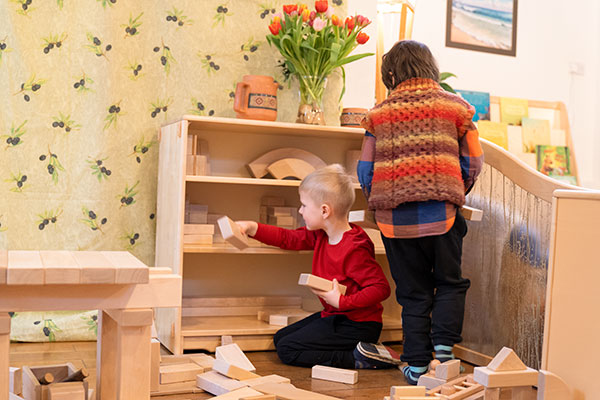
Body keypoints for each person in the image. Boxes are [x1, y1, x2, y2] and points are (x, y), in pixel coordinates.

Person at [357, 40, 484, 385]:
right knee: (450, 283)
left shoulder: (378, 114)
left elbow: (365, 171)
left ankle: (415, 365)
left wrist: (380, 199)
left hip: (393, 222)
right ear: (430, 68)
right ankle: (443, 352)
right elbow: (473, 161)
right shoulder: (455, 108)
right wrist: (454, 192)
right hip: (442, 215)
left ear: (392, 74)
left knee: (412, 291)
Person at [235, 164, 400, 370]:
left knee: (288, 349)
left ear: (324, 210)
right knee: (280, 339)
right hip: (336, 316)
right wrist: (252, 228)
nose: (300, 210)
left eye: (304, 205)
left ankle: (358, 358)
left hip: (357, 325)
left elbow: (380, 288)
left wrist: (342, 301)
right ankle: (358, 350)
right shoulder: (321, 234)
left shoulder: (354, 247)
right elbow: (289, 238)